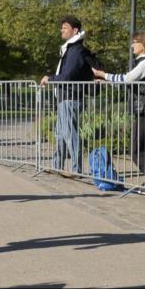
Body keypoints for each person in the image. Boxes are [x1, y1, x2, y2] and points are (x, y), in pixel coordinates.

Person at [92, 32, 145, 188]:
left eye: (135, 42)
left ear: (143, 44)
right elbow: (129, 82)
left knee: (136, 150)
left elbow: (127, 78)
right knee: (143, 148)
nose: (132, 46)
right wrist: (106, 82)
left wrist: (103, 75)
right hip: (144, 109)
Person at [39, 16, 95, 173]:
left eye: (65, 27)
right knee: (61, 134)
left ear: (75, 30)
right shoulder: (70, 49)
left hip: (71, 97)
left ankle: (77, 170)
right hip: (65, 97)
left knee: (70, 134)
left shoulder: (76, 51)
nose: (61, 30)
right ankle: (57, 166)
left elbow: (67, 76)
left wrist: (49, 79)